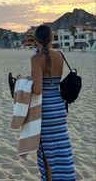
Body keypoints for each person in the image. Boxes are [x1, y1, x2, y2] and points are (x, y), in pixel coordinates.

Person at [31, 24, 75, 181]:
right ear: (51, 38)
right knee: (61, 150)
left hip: (45, 111)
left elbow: (38, 90)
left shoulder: (36, 59)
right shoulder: (60, 55)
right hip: (59, 107)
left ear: (36, 40)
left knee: (47, 154)